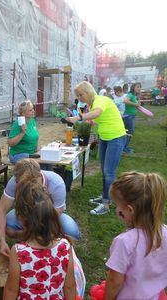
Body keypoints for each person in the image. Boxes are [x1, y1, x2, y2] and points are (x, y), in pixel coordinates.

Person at [3, 180, 76, 299]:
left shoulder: (19, 252)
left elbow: (11, 290)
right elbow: (70, 286)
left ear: (21, 218)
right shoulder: (65, 246)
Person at [0, 158, 80, 257]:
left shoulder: (56, 183)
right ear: (17, 180)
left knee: (71, 232)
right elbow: (1, 209)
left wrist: (26, 232)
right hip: (26, 214)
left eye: (31, 182)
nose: (28, 186)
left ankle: (32, 239)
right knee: (8, 225)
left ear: (40, 176)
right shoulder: (14, 181)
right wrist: (2, 241)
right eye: (23, 184)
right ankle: (38, 240)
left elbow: (55, 214)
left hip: (50, 215)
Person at [66, 81, 126, 216]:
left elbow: (97, 113)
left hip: (115, 138)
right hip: (105, 138)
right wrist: (87, 121)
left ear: (88, 92)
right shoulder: (91, 105)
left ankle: (105, 204)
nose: (79, 98)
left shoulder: (100, 100)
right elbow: (97, 118)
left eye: (80, 95)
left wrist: (79, 117)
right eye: (78, 95)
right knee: (105, 170)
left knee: (109, 172)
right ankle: (106, 196)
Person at [105, 171, 167, 300]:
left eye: (117, 206)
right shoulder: (165, 233)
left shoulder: (124, 242)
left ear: (130, 210)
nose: (117, 210)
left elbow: (114, 281)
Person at [8, 100, 39, 164]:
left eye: (33, 109)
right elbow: (10, 143)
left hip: (32, 153)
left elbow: (35, 137)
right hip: (17, 155)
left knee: (46, 164)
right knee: (36, 165)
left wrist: (36, 149)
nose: (33, 111)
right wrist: (22, 132)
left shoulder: (32, 121)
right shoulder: (18, 124)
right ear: (23, 113)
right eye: (30, 110)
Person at [123, 82, 141, 154]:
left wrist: (137, 105)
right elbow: (125, 101)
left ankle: (124, 147)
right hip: (128, 116)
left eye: (140, 87)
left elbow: (133, 105)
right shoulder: (130, 94)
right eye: (138, 87)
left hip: (131, 116)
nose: (139, 88)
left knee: (129, 132)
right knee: (129, 132)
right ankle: (124, 148)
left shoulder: (133, 96)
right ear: (133, 87)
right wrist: (135, 104)